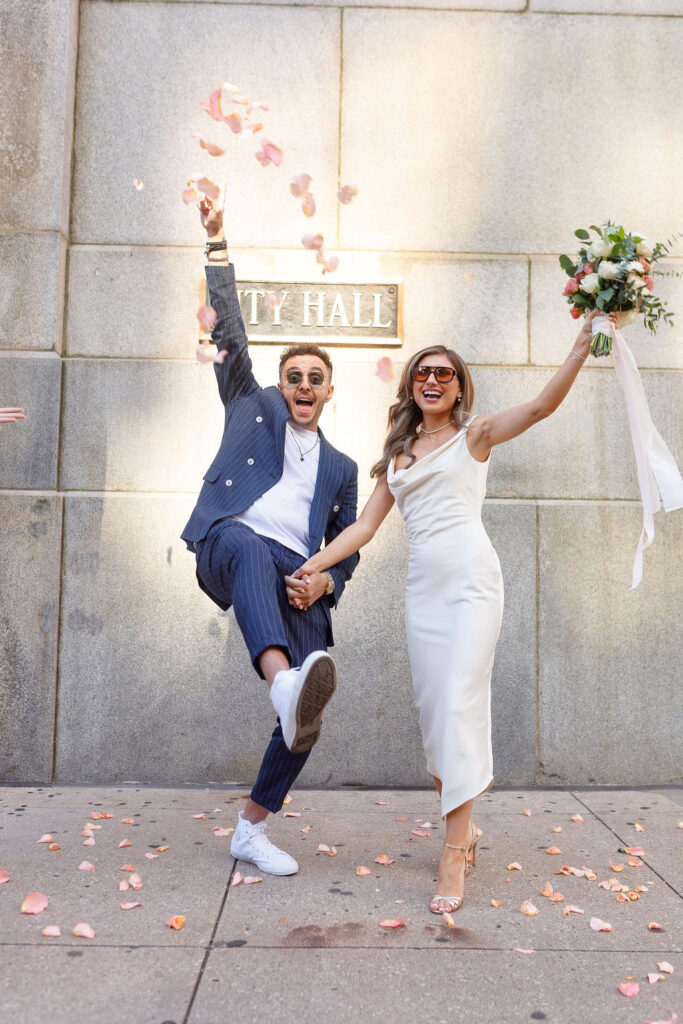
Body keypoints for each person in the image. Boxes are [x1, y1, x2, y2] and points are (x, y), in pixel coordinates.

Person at [289, 308, 615, 914]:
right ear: (412, 387)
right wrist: (313, 565)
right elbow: (363, 527)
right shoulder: (399, 454)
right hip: (424, 595)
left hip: (471, 585)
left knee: (460, 698)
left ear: (460, 385)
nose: (432, 381)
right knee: (437, 712)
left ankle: (454, 848)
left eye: (444, 373)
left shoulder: (477, 435)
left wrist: (581, 343)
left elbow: (542, 407)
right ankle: (464, 827)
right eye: (422, 374)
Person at [181, 198, 359, 877]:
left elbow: (350, 544)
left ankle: (252, 829)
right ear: (279, 387)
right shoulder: (249, 406)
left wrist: (327, 579)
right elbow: (227, 329)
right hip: (230, 544)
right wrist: (217, 241)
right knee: (253, 549)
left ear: (329, 391)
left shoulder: (341, 467)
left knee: (306, 709)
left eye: (314, 379)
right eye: (293, 378)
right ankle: (279, 681)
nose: (303, 386)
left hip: (298, 573)